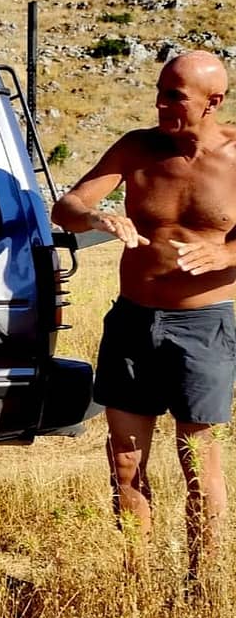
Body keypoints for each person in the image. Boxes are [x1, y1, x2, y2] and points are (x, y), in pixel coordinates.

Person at [51, 50, 236, 580]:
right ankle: (138, 582)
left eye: (175, 96)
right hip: (133, 323)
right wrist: (96, 216)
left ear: (213, 101)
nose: (161, 103)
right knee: (126, 462)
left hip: (203, 328)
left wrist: (225, 254)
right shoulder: (137, 147)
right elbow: (65, 207)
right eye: (159, 90)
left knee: (199, 464)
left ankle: (201, 584)